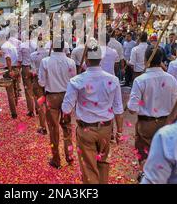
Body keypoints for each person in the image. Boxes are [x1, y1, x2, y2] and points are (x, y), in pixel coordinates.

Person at [62, 39, 124, 184]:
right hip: (106, 129)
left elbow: (66, 108)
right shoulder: (113, 80)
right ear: (100, 59)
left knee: (89, 168)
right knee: (103, 164)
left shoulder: (77, 81)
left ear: (86, 59)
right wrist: (119, 130)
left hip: (86, 130)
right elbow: (118, 109)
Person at [127, 46, 177, 178]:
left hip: (146, 124)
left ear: (146, 59)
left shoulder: (140, 80)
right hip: (166, 123)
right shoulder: (171, 79)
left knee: (144, 153)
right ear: (161, 60)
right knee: (163, 153)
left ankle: (145, 175)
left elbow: (132, 109)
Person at [38, 39, 76, 169]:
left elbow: (41, 83)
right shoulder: (70, 62)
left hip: (51, 97)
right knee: (67, 128)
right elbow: (73, 81)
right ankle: (69, 156)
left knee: (54, 129)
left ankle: (56, 159)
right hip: (66, 96)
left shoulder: (45, 61)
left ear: (53, 47)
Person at [30, 40, 49, 135]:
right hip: (49, 82)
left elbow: (32, 71)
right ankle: (51, 125)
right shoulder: (49, 54)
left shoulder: (33, 55)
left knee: (40, 105)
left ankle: (43, 127)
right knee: (49, 104)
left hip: (37, 81)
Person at [18, 32, 37, 117]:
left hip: (26, 68)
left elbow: (20, 60)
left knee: (28, 90)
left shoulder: (22, 46)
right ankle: (38, 108)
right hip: (34, 68)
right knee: (36, 89)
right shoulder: (35, 44)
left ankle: (31, 110)